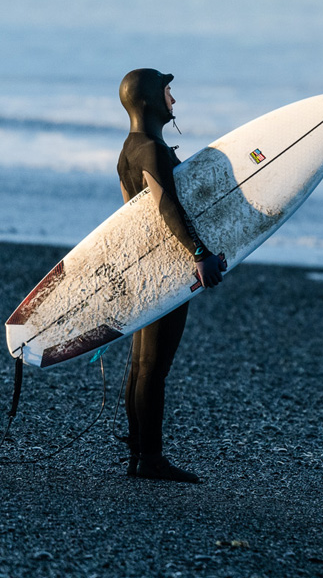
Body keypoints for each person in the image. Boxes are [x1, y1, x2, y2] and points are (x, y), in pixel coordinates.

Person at [116, 68, 226, 483]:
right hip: (167, 269)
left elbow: (131, 220)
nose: (173, 102)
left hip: (146, 265)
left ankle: (138, 452)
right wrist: (198, 253)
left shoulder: (128, 149)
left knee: (141, 364)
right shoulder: (152, 150)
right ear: (148, 101)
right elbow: (166, 208)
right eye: (168, 93)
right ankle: (151, 459)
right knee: (154, 368)